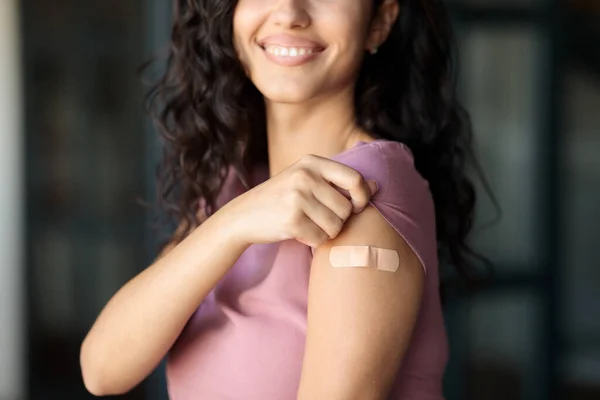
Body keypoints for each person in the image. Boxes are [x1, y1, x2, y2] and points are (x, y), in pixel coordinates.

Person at [80, 0, 484, 398]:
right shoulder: (236, 185)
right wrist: (232, 224)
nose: (289, 13)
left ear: (379, 22)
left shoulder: (363, 195)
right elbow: (101, 370)